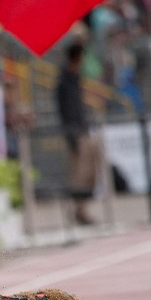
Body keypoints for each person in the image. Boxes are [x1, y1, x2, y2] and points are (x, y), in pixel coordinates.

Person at [56, 42, 99, 225]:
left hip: (83, 130)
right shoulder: (64, 81)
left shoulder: (74, 78)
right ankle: (79, 210)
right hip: (75, 132)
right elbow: (66, 111)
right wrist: (71, 134)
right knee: (79, 175)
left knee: (91, 172)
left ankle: (83, 209)